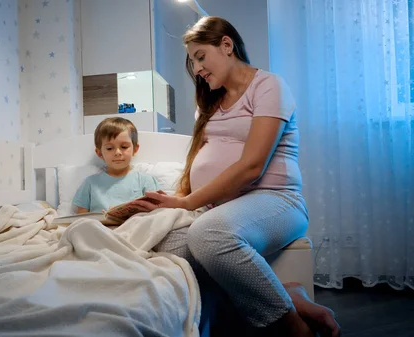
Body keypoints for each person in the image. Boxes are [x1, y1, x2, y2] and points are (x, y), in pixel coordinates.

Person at [130, 16, 341, 337]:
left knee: (208, 236)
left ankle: (292, 327)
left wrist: (186, 202)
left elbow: (252, 166)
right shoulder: (209, 102)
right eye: (193, 61)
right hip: (221, 211)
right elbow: (201, 161)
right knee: (163, 250)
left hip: (277, 201)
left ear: (226, 45)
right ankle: (287, 292)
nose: (197, 68)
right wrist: (174, 205)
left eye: (201, 56)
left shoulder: (268, 86)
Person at [72, 117, 159, 214]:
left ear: (135, 149)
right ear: (99, 153)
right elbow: (82, 217)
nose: (117, 153)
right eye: (109, 148)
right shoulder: (90, 183)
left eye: (124, 147)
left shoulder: (146, 181)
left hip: (135, 226)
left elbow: (155, 213)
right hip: (100, 227)